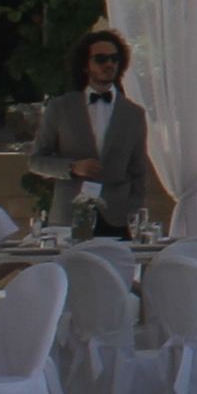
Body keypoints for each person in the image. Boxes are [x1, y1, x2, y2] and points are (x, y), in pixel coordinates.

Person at [29, 28, 158, 237]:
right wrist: (71, 167)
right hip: (69, 215)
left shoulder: (133, 114)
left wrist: (133, 212)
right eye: (101, 59)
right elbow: (36, 161)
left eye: (114, 59)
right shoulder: (61, 108)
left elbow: (139, 171)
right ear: (85, 65)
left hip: (117, 217)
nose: (109, 64)